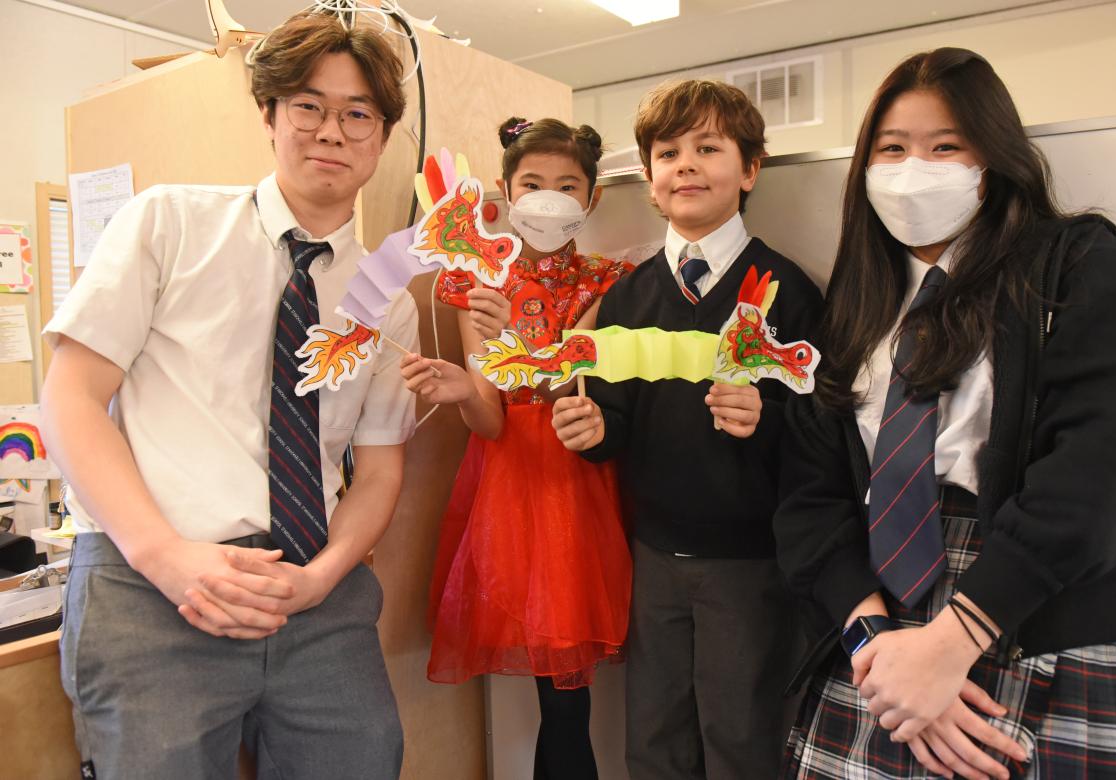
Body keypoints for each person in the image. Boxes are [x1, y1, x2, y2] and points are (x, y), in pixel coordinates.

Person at [776, 47, 1116, 780]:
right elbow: (809, 494)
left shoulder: (1077, 265)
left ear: (992, 159)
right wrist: (874, 642)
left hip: (1025, 602)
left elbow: (1105, 469)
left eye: (945, 146)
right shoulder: (855, 307)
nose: (912, 168)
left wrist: (953, 639)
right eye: (891, 148)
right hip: (874, 626)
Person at [40, 12, 417, 778]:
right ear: (270, 114)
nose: (331, 132)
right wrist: (167, 557)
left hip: (317, 590)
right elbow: (71, 398)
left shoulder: (388, 297)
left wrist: (321, 576)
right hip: (151, 585)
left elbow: (377, 470)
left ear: (381, 137)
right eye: (308, 106)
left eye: (357, 115)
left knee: (368, 758)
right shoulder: (168, 222)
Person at [551, 79, 823, 780]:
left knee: (742, 736)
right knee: (654, 737)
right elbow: (613, 413)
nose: (687, 165)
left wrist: (769, 417)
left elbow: (831, 429)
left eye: (709, 148)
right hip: (654, 556)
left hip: (754, 563)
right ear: (648, 180)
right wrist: (591, 429)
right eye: (668, 153)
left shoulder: (788, 290)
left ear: (750, 169)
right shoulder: (629, 294)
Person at [399, 117, 632, 780]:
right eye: (533, 183)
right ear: (505, 190)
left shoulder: (607, 281)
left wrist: (515, 351)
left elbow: (571, 382)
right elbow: (492, 420)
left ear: (590, 199)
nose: (549, 198)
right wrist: (461, 385)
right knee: (555, 700)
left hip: (575, 475)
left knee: (566, 701)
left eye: (567, 185)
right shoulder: (477, 281)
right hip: (509, 487)